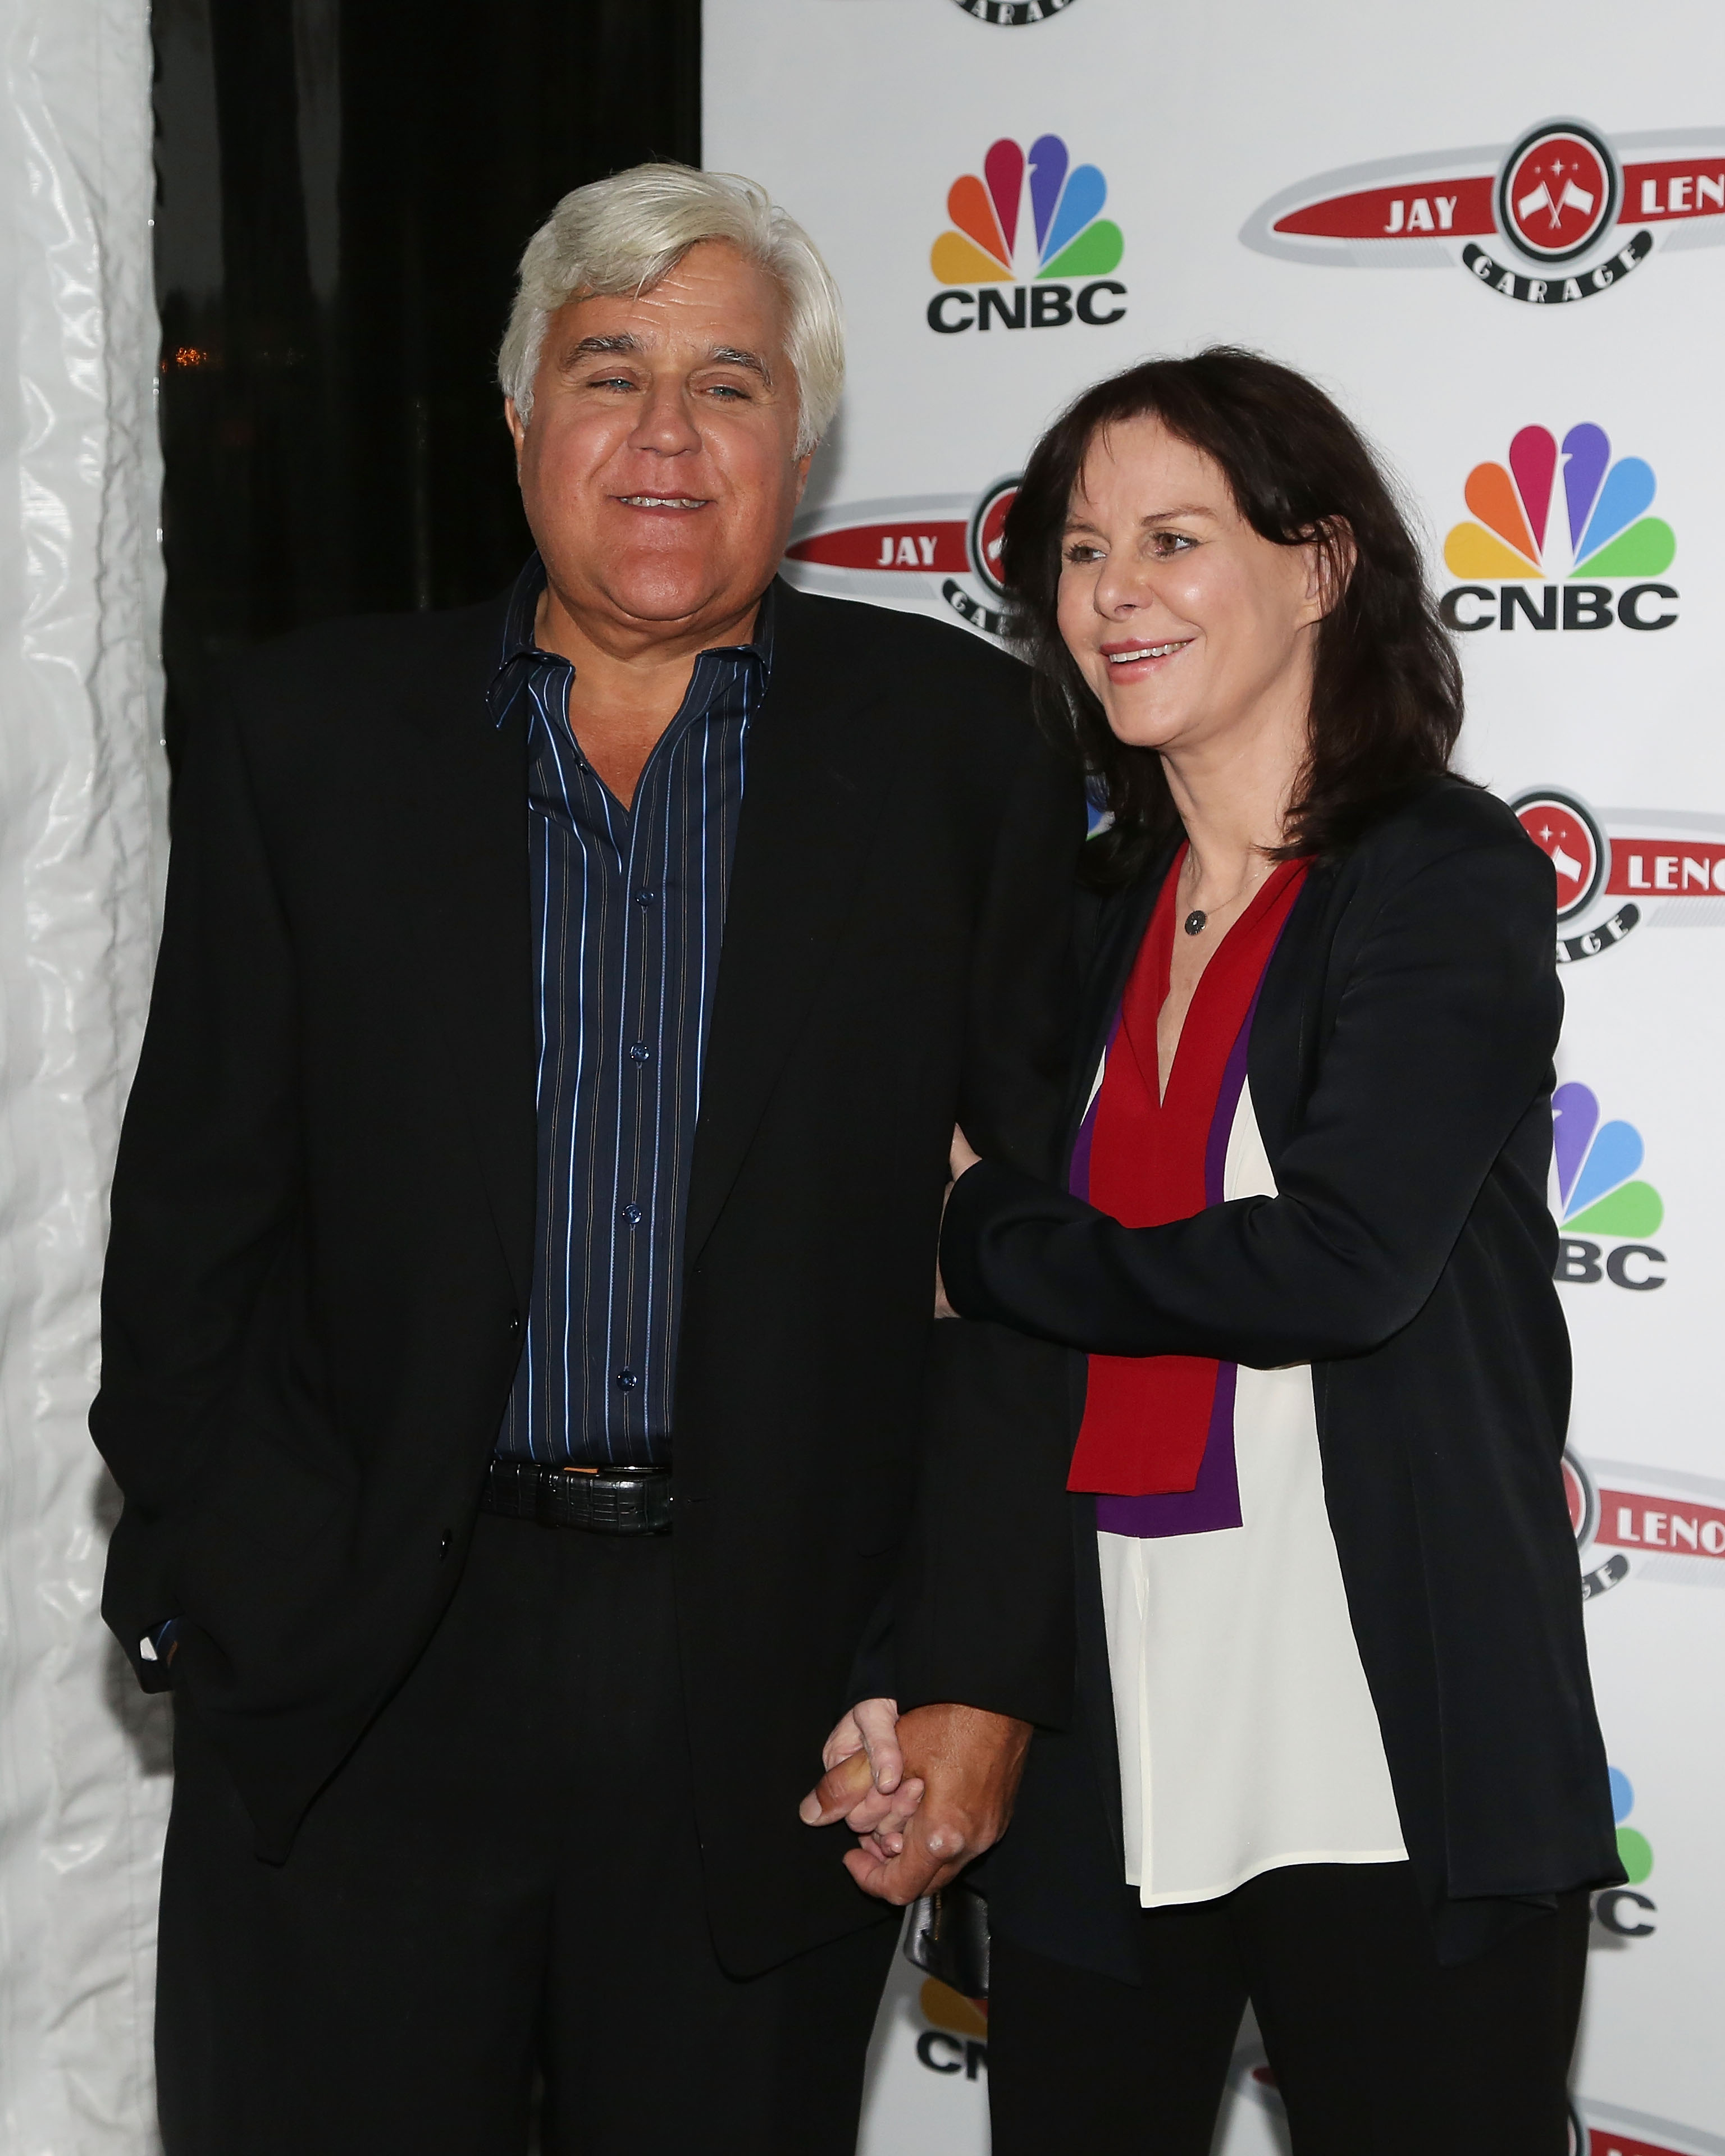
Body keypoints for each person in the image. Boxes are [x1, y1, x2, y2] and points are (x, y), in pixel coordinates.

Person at [90, 164, 1081, 2156]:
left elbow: (1018, 1270)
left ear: (797, 445)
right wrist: (243, 1590)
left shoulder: (963, 755)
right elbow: (195, 1218)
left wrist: (978, 1671)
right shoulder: (308, 737)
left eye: (727, 383)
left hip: (779, 1696)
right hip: (367, 1669)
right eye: (608, 369)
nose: (661, 433)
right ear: (521, 417)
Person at [919, 349, 1620, 2153]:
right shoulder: (1075, 918)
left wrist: (992, 1234)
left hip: (1385, 1741)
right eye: (1078, 552)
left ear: (1320, 567)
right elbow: (977, 1366)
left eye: (1172, 538)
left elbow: (1337, 1266)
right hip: (1105, 1744)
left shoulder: (1442, 878)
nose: (1114, 594)